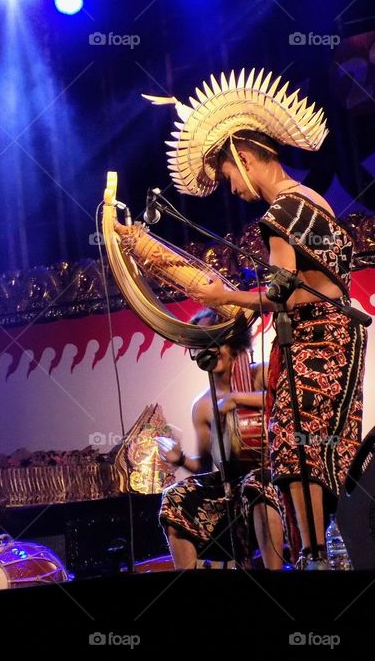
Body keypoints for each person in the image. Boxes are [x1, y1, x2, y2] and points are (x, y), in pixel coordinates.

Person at [149, 69, 365, 566]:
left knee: (298, 455)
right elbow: (322, 288)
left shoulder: (281, 212)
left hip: (315, 343)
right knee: (316, 451)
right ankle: (320, 552)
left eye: (226, 173)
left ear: (244, 160)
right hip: (337, 340)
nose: (231, 187)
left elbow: (282, 293)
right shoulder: (314, 199)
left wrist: (229, 294)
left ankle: (311, 555)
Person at [157, 309, 285, 569]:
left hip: (273, 477)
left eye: (215, 341)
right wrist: (180, 458)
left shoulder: (259, 374)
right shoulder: (203, 406)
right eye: (203, 343)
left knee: (256, 483)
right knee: (175, 495)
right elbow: (204, 466)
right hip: (231, 487)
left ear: (234, 342)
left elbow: (280, 400)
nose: (210, 349)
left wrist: (237, 399)